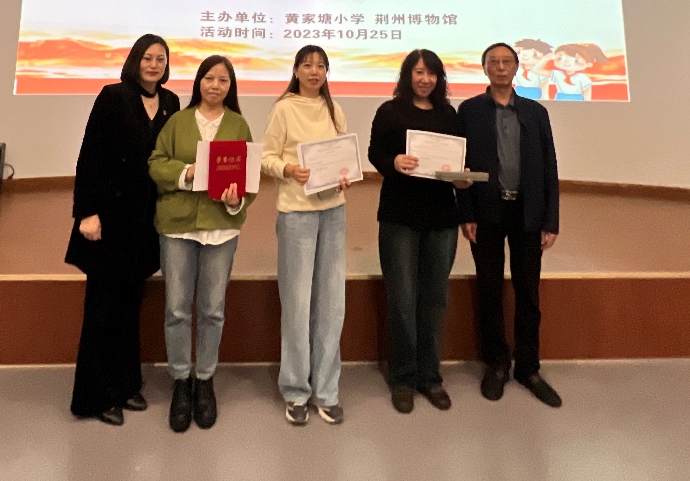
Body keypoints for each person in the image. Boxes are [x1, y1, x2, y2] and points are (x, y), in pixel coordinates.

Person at [66, 34, 179, 426]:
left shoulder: (170, 102)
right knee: (102, 310)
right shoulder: (112, 96)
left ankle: (127, 385)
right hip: (108, 219)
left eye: (160, 59)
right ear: (135, 61)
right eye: (147, 58)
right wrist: (87, 213)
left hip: (146, 223)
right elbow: (90, 155)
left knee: (130, 307)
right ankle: (95, 397)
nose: (154, 65)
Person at [148, 55, 256, 433]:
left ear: (230, 86)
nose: (215, 85)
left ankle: (205, 378)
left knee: (212, 309)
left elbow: (249, 178)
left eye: (223, 80)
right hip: (177, 229)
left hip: (220, 230)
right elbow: (156, 163)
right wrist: (186, 172)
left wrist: (236, 200)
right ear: (198, 82)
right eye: (209, 78)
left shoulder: (238, 125)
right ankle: (181, 380)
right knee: (177, 308)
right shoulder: (178, 121)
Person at [457, 42, 563, 408]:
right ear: (485, 68)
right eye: (494, 62)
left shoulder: (535, 112)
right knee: (489, 289)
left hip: (528, 212)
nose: (500, 67)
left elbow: (549, 166)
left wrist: (551, 219)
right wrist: (466, 213)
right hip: (486, 211)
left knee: (528, 292)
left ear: (516, 68)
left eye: (507, 61)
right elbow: (460, 166)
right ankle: (497, 363)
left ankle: (528, 368)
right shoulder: (469, 110)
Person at [367, 49, 467, 413]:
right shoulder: (389, 111)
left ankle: (430, 376)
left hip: (441, 219)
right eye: (419, 72)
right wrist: (393, 161)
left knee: (434, 299)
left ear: (439, 78)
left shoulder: (448, 115)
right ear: (407, 75)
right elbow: (375, 153)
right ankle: (402, 378)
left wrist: (462, 178)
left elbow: (458, 163)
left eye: (432, 73)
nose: (425, 79)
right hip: (399, 217)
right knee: (402, 299)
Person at [261, 45, 351, 426]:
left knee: (332, 302)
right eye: (307, 65)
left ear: (327, 72)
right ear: (296, 70)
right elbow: (266, 156)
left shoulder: (334, 109)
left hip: (333, 211)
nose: (314, 71)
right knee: (297, 305)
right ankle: (296, 390)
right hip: (296, 213)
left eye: (321, 66)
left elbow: (343, 156)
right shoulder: (284, 108)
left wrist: (346, 175)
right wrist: (288, 170)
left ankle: (327, 390)